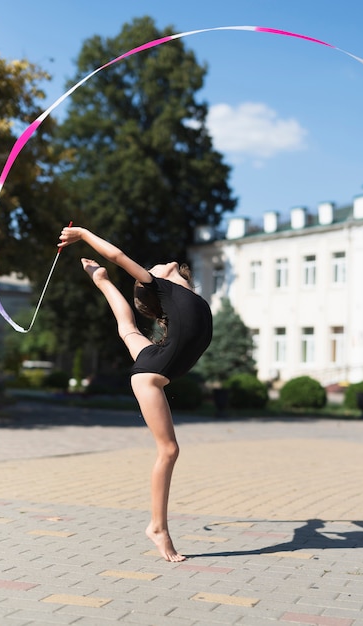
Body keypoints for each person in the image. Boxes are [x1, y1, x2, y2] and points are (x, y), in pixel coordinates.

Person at [58, 226, 213, 562]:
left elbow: (127, 323)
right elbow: (117, 256)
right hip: (151, 375)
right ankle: (158, 528)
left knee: (128, 330)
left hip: (155, 363)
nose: (154, 267)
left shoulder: (183, 297)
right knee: (169, 450)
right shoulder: (161, 287)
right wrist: (83, 234)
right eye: (150, 271)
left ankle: (101, 283)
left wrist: (102, 281)